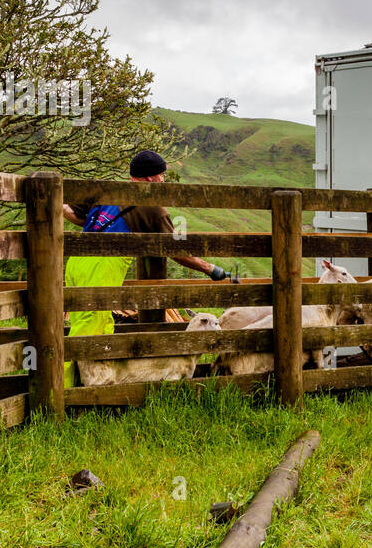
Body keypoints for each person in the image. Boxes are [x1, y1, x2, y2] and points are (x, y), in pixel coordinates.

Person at [60, 149, 239, 386]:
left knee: (96, 323)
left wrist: (95, 226)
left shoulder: (108, 190)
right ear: (149, 178)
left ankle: (91, 385)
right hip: (103, 263)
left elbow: (68, 211)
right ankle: (63, 391)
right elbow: (176, 250)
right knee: (89, 328)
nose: (163, 180)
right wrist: (210, 268)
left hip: (76, 260)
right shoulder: (153, 207)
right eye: (161, 175)